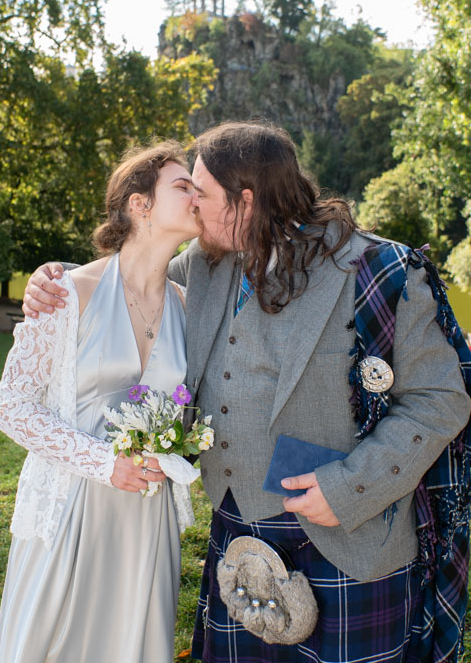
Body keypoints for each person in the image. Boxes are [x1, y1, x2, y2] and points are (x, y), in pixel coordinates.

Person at [23, 122, 470, 663]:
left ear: (246, 201)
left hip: (349, 539)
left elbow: (440, 400)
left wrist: (351, 488)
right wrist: (59, 280)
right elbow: (131, 276)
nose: (192, 206)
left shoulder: (380, 270)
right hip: (237, 536)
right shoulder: (205, 262)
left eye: (201, 193)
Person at [0, 141, 200, 663]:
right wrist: (104, 463)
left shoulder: (187, 306)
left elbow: (188, 408)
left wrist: (176, 452)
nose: (196, 196)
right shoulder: (66, 293)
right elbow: (12, 406)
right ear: (139, 203)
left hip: (147, 518)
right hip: (71, 508)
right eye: (183, 186)